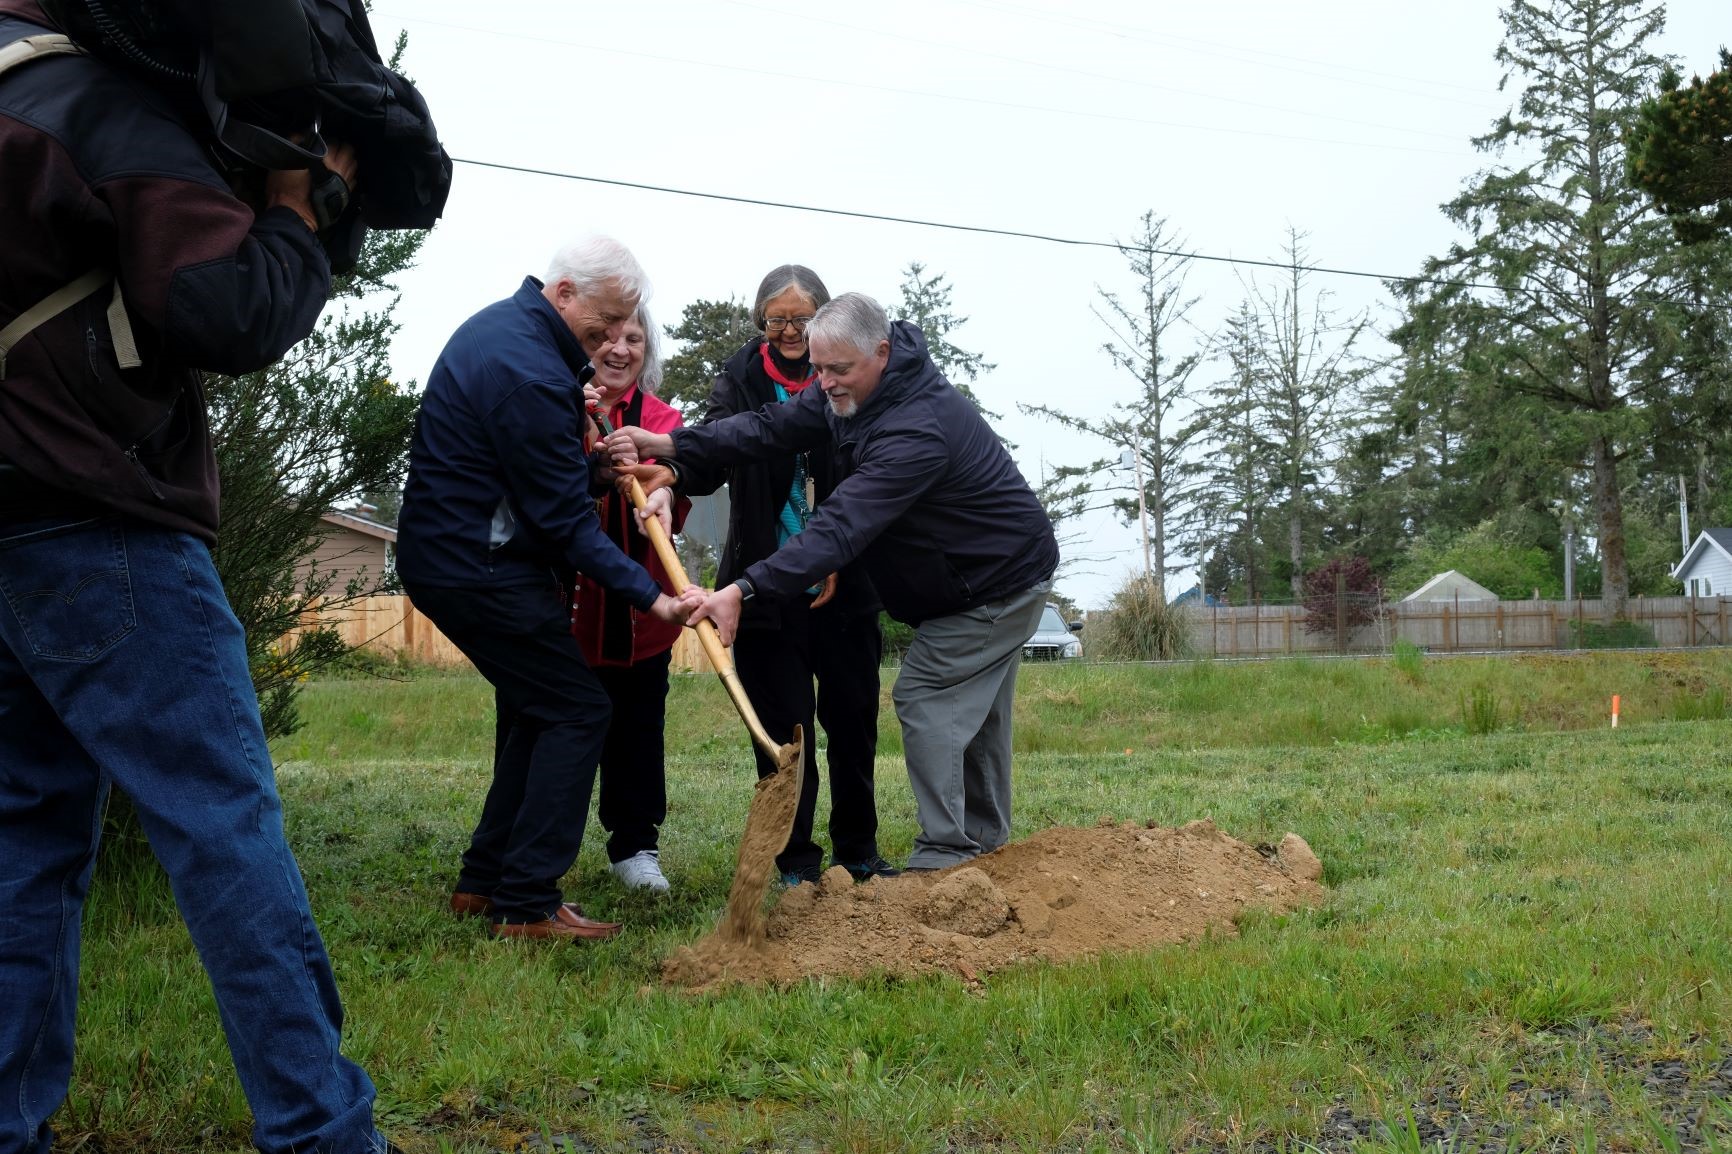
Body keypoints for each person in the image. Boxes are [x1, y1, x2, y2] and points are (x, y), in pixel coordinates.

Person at [0, 4, 392, 1152]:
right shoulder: (90, 105)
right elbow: (226, 310)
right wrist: (296, 208)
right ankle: (324, 1133)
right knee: (221, 825)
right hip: (100, 520)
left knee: (23, 839)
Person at [605, 292, 1059, 872]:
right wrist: (671, 445)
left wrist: (742, 589)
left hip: (996, 582)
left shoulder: (914, 430)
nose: (824, 382)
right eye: (817, 369)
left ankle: (946, 856)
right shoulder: (854, 390)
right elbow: (770, 426)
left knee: (926, 694)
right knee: (978, 714)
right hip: (974, 579)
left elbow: (840, 528)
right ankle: (983, 847)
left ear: (882, 352)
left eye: (837, 370)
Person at [395, 237, 702, 943]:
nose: (613, 336)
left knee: (541, 708)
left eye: (630, 322)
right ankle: (528, 900)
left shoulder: (510, 335)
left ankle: (484, 881)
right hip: (480, 565)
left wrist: (597, 469)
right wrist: (654, 599)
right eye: (606, 319)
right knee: (575, 710)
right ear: (564, 293)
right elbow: (565, 524)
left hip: (460, 556)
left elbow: (544, 487)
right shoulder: (529, 369)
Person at [662, 265, 896, 887]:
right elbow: (714, 450)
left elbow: (870, 479)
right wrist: (673, 474)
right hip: (761, 589)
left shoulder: (845, 374)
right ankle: (795, 862)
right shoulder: (740, 379)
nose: (790, 331)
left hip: (844, 586)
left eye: (802, 318)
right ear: (760, 321)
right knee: (782, 733)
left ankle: (859, 851)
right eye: (777, 319)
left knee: (852, 725)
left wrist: (835, 560)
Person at [569, 304, 689, 893]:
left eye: (634, 338)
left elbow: (686, 477)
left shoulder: (666, 420)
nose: (620, 349)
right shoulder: (560, 404)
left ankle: (635, 847)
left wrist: (668, 491)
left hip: (645, 615)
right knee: (553, 728)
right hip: (568, 610)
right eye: (607, 337)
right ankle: (541, 844)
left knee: (639, 727)